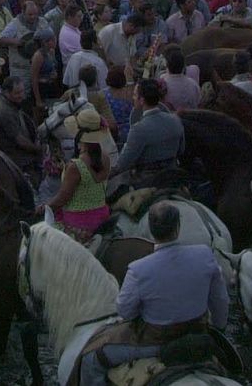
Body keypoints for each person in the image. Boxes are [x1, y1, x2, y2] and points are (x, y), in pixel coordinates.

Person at [78, 202, 228, 386]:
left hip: (155, 344)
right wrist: (219, 326)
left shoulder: (138, 269)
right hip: (198, 334)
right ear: (178, 227)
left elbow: (125, 312)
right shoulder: (205, 254)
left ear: (150, 229)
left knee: (91, 359)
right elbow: (220, 299)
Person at [45, 119, 111, 241]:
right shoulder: (105, 157)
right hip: (102, 214)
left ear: (79, 135)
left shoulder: (75, 166)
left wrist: (44, 207)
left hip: (80, 221)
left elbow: (62, 199)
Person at [113, 80, 184, 186]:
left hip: (148, 181)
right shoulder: (176, 120)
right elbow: (181, 150)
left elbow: (122, 164)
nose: (133, 98)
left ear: (141, 100)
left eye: (134, 95)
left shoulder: (138, 129)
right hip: (173, 175)